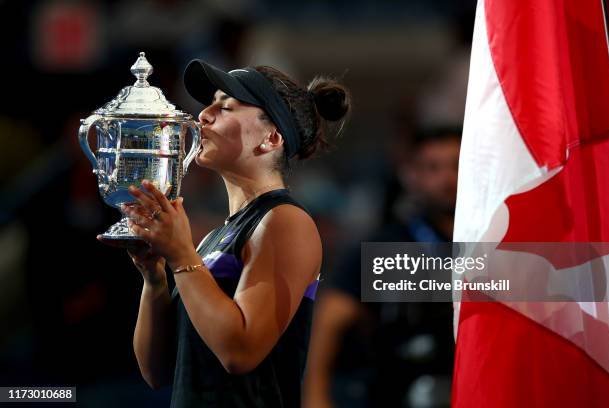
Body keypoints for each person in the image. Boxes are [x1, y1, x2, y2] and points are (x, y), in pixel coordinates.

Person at [99, 61, 350, 407]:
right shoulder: (213, 239)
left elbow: (240, 352)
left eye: (226, 106)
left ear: (271, 138)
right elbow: (157, 371)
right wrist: (155, 277)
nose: (203, 115)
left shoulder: (286, 221)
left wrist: (183, 256)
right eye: (210, 104)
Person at [303, 126, 460, 408]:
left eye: (457, 166)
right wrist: (316, 397)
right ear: (411, 176)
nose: (447, 179)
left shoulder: (491, 242)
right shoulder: (386, 246)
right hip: (393, 393)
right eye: (433, 168)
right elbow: (330, 322)